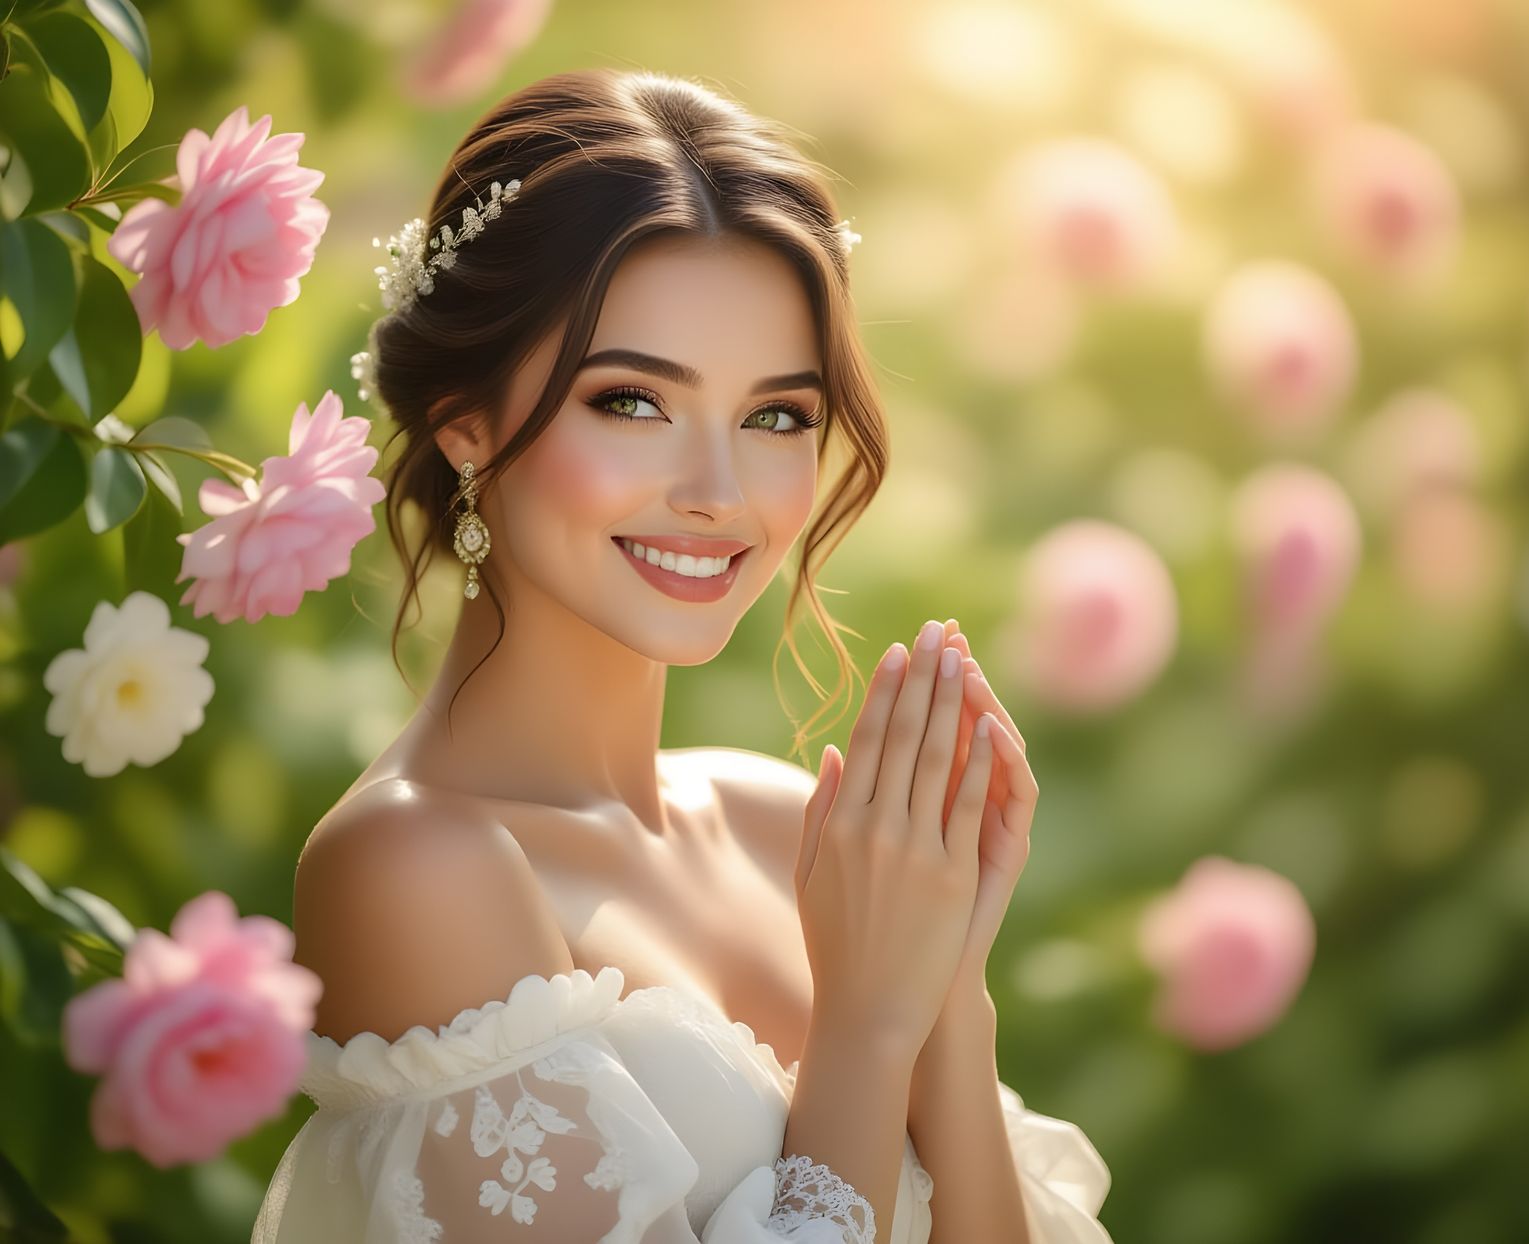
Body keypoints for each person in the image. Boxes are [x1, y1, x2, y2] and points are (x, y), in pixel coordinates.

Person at [252, 67, 1112, 1243]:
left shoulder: (783, 824)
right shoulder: (411, 866)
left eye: (774, 418)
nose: (716, 494)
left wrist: (947, 986)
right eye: (631, 401)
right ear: (466, 422)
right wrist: (864, 1027)